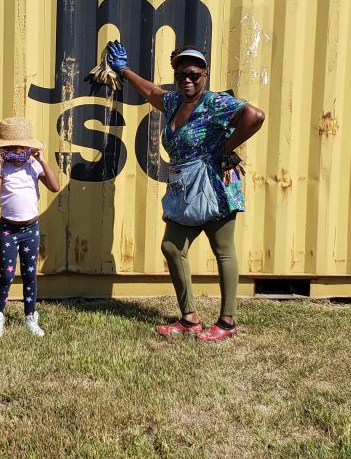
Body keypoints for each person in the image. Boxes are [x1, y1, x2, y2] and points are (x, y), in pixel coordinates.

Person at [106, 41, 265, 342]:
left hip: (213, 184)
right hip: (183, 186)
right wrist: (124, 70)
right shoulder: (174, 103)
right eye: (181, 74)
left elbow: (254, 116)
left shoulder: (215, 103)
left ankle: (227, 323)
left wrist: (226, 148)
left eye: (193, 73)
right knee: (172, 246)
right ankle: (189, 319)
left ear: (205, 74)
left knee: (223, 250)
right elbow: (153, 93)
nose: (187, 79)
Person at [0, 117, 61, 337]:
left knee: (30, 275)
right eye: (12, 149)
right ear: (4, 149)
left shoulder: (33, 165)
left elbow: (55, 186)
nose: (18, 154)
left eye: (23, 148)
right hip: (9, 230)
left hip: (30, 229)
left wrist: (43, 160)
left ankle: (30, 316)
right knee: (6, 275)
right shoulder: (2, 168)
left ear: (30, 148)